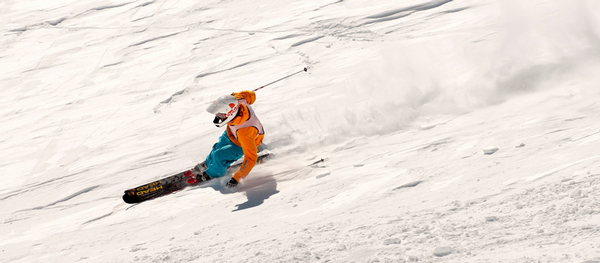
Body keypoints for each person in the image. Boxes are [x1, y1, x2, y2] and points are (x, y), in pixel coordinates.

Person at [195, 90, 265, 188]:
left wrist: (237, 178)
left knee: (220, 156)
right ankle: (208, 163)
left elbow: (251, 159)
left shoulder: (244, 132)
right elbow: (251, 95)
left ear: (230, 113)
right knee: (217, 147)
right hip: (233, 132)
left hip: (243, 143)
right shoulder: (239, 100)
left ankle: (214, 173)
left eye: (220, 115)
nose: (217, 117)